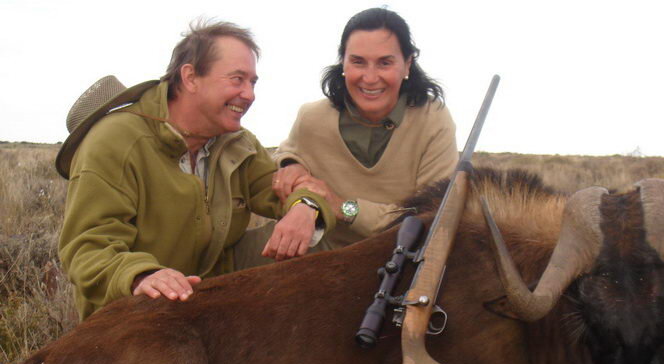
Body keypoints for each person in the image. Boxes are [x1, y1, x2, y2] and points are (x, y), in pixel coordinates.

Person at [56, 21, 334, 320]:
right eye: (237, 79)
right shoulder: (115, 141)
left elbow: (287, 189)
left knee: (314, 241)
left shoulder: (237, 142)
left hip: (209, 291)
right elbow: (87, 247)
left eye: (253, 82)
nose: (250, 94)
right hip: (135, 310)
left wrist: (305, 207)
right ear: (190, 77)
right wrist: (141, 276)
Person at [272, 7, 458, 250]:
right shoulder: (312, 118)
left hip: (403, 259)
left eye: (384, 63)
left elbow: (428, 216)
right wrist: (290, 167)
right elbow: (286, 155)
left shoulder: (433, 119)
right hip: (323, 257)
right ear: (343, 63)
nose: (370, 78)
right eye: (358, 62)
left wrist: (343, 207)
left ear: (407, 64)